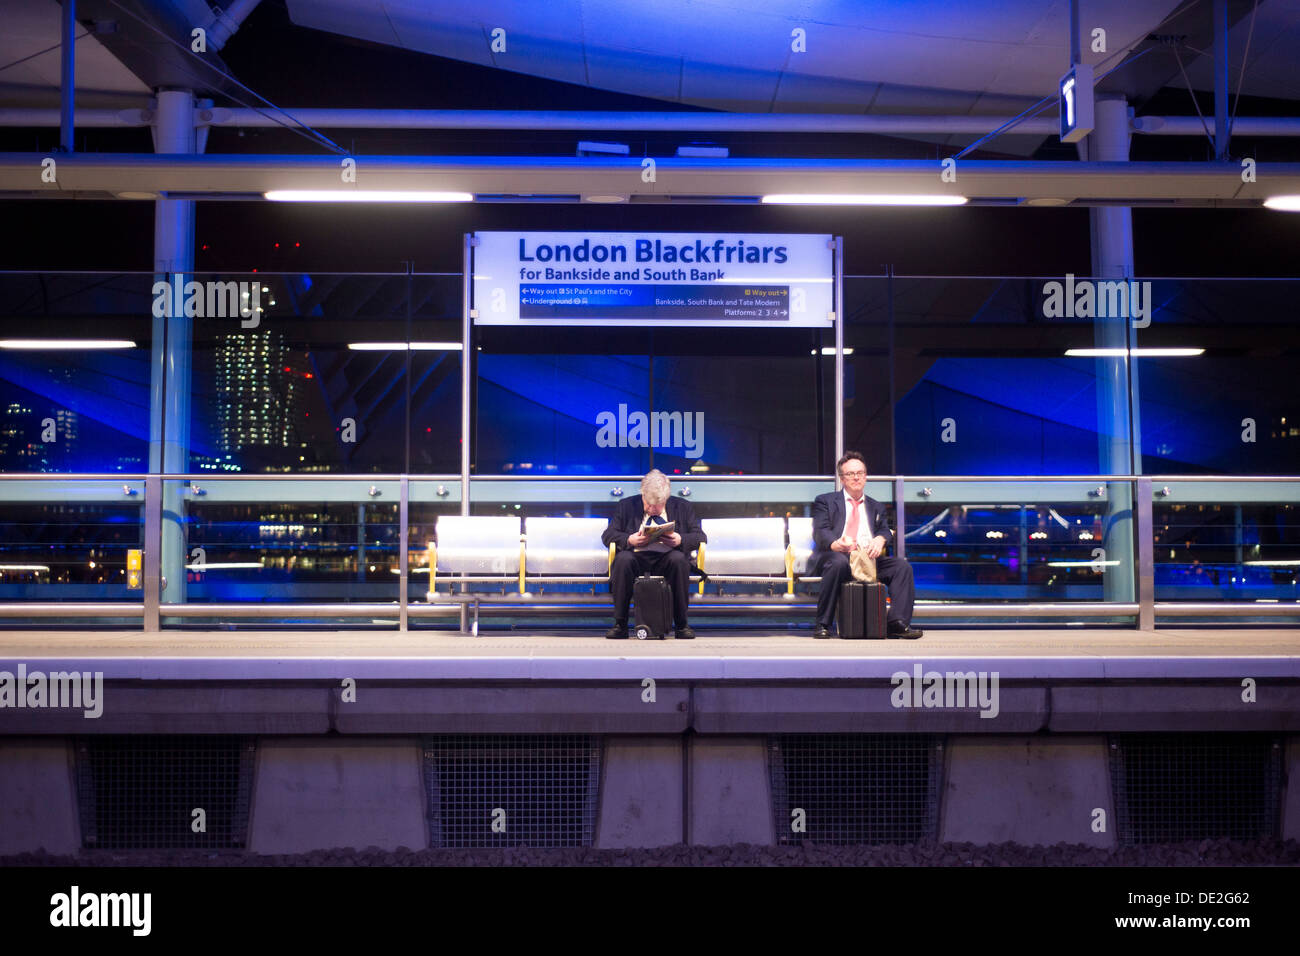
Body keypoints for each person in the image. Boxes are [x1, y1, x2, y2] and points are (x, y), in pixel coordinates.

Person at [810, 451, 922, 639]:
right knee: (838, 562)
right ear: (842, 478)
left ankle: (896, 622)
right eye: (850, 474)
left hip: (867, 559)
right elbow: (820, 531)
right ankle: (823, 623)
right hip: (838, 556)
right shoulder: (826, 501)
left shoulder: (876, 506)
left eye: (860, 473)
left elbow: (885, 529)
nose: (856, 477)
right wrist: (836, 543)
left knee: (901, 567)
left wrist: (881, 539)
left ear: (866, 476)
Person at [601, 469, 706, 639]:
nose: (651, 509)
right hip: (636, 558)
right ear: (642, 494)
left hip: (668, 558)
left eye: (656, 505)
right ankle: (620, 624)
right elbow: (608, 535)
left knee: (679, 561)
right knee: (622, 560)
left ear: (666, 498)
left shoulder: (682, 507)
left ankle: (681, 625)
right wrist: (629, 539)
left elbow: (700, 536)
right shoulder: (626, 505)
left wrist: (680, 540)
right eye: (647, 504)